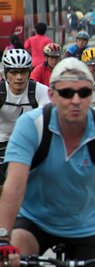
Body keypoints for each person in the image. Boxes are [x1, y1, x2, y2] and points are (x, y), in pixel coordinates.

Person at [0, 58, 95, 267]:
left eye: (84, 92)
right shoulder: (31, 125)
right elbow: (14, 186)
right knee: (9, 261)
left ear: (93, 94)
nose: (76, 100)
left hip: (84, 228)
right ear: (51, 95)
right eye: (67, 93)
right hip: (35, 222)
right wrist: (3, 237)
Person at [0, 49, 50, 192]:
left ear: (29, 72)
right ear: (5, 74)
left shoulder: (40, 91)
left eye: (23, 72)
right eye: (14, 73)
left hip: (30, 142)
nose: (19, 77)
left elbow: (49, 119)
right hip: (3, 142)